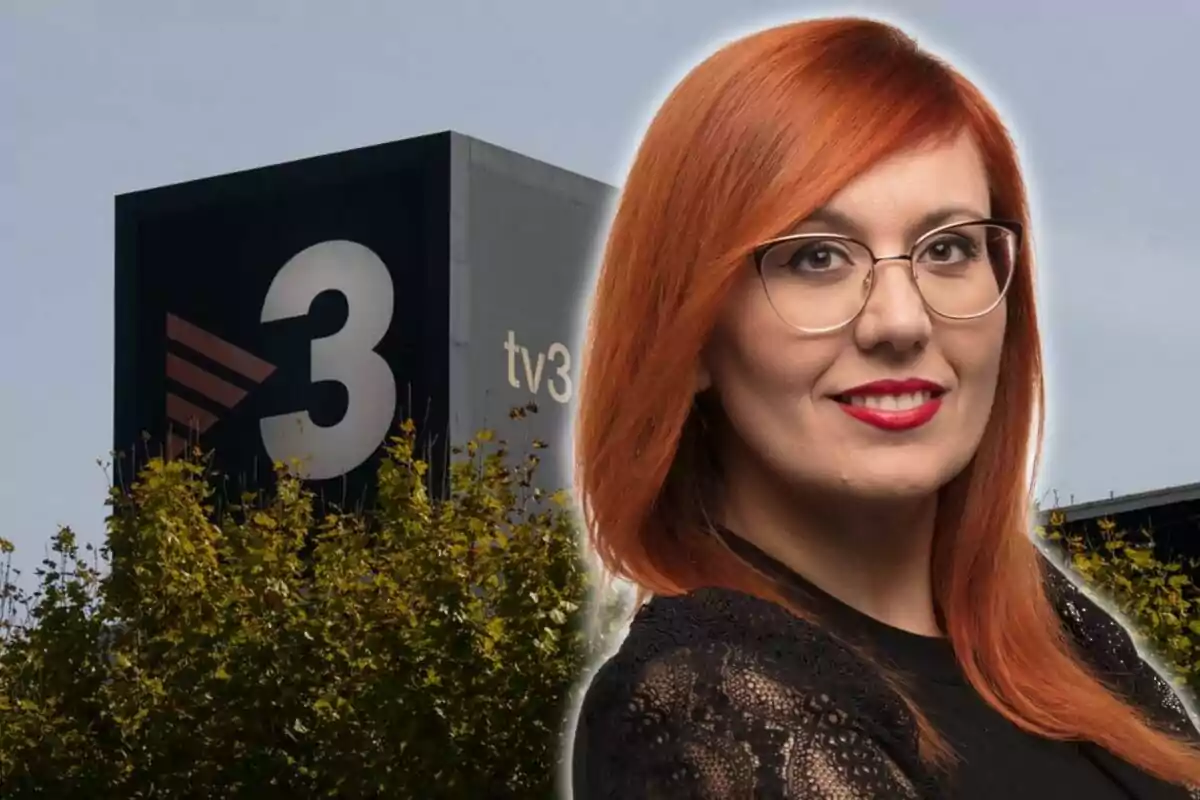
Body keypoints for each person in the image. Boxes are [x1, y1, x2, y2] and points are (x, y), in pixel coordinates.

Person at [567, 16, 1200, 800]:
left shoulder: (1053, 631)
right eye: (816, 257)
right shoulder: (709, 701)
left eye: (947, 249)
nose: (901, 321)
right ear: (689, 333)